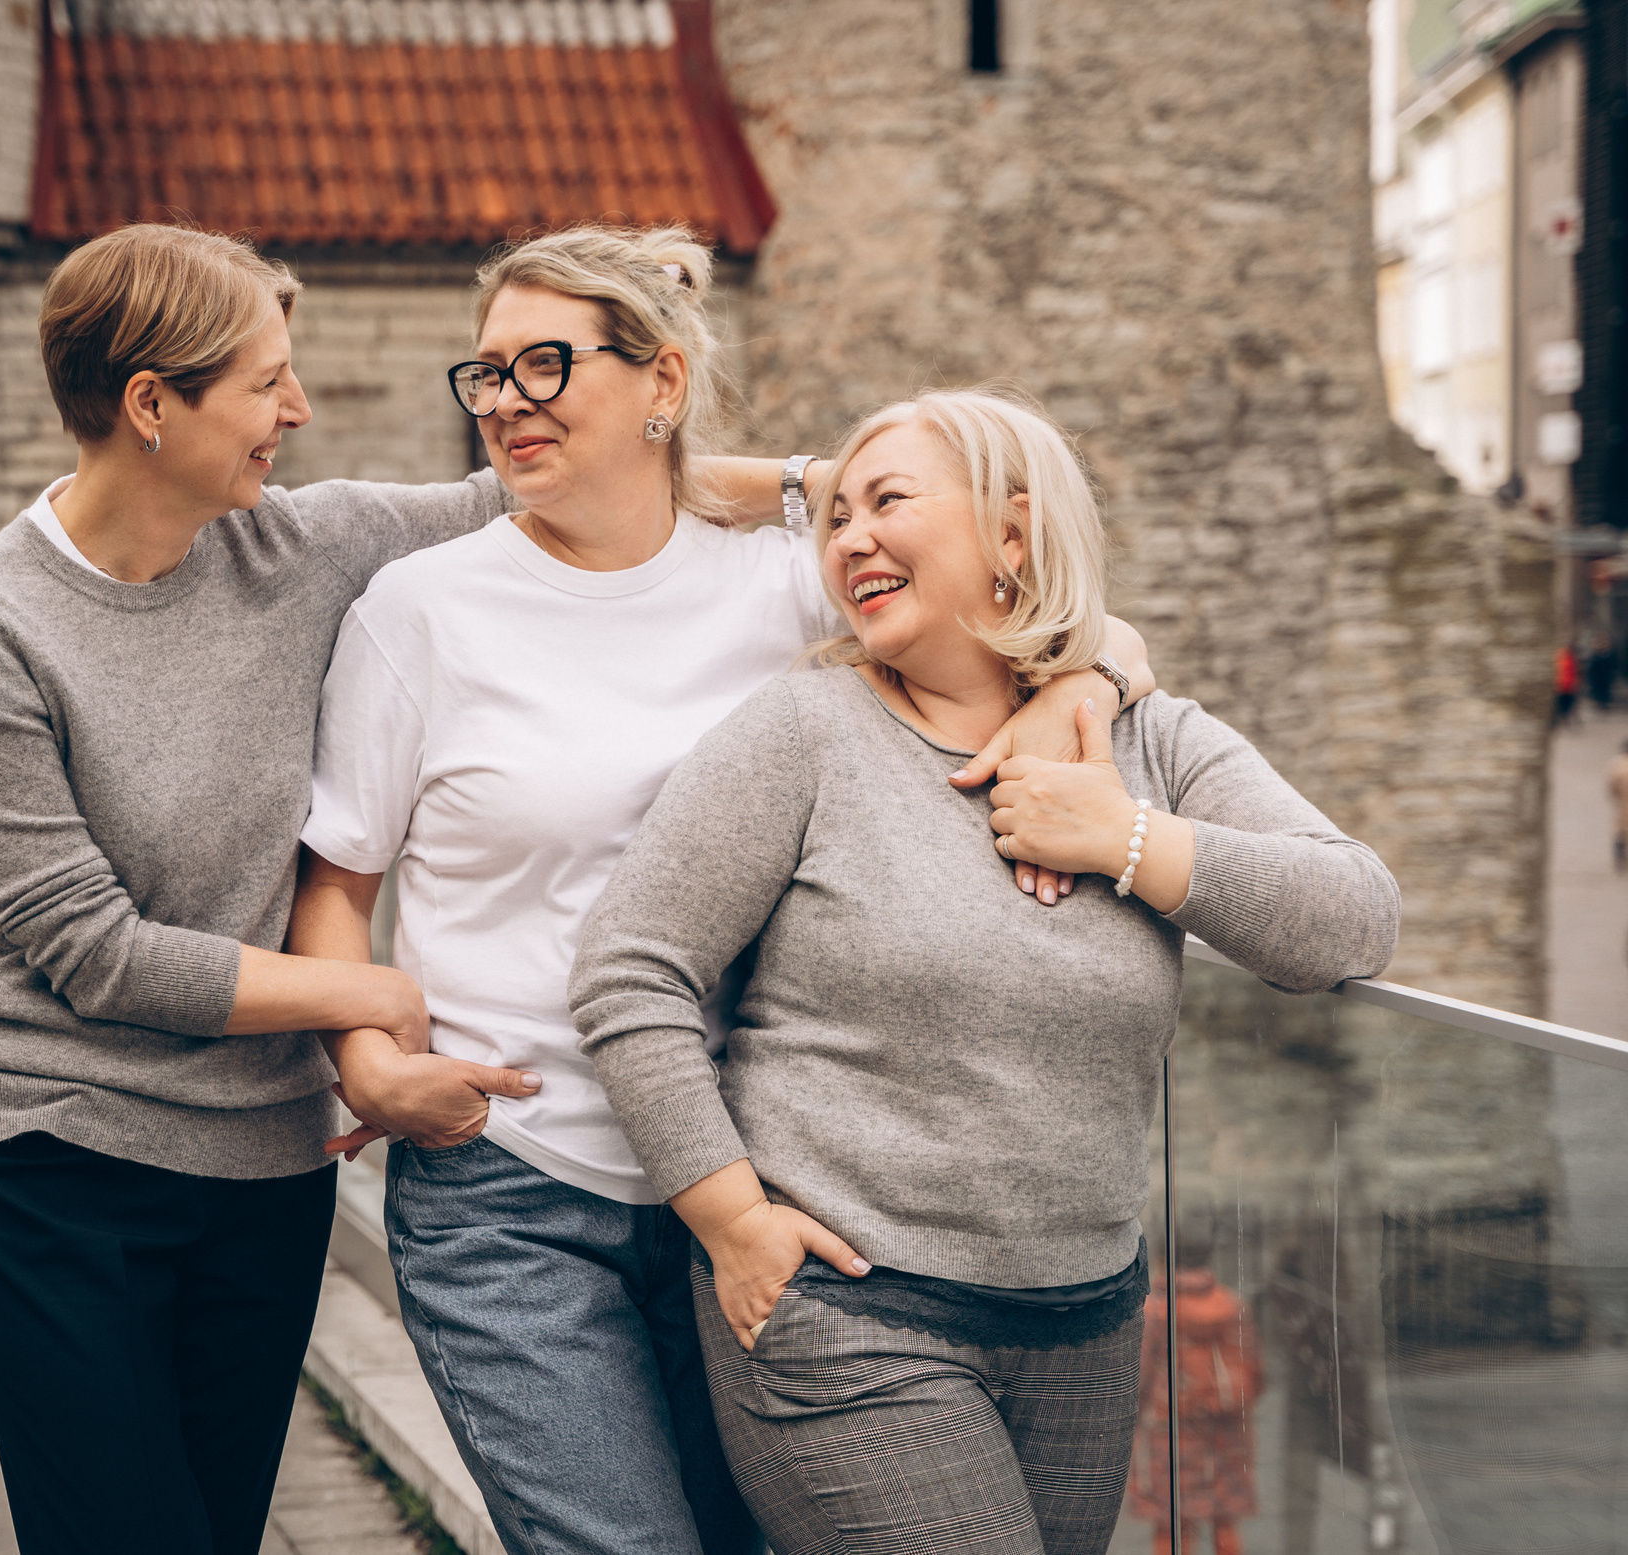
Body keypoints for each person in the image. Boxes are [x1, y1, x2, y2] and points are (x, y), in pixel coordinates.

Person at [0, 223, 822, 1555]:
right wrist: (380, 1001)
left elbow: (583, 483)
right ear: (154, 406)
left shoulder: (305, 545)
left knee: (212, 1526)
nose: (301, 407)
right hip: (56, 1145)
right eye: (267, 381)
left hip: (261, 1156)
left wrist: (851, 487)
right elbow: (89, 951)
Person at [284, 235, 1155, 1555]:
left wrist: (1082, 689)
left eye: (546, 364)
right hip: (511, 1181)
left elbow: (1035, 609)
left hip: (751, 1171)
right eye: (488, 373)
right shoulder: (421, 610)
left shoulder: (781, 581)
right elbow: (338, 881)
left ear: (663, 382)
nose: (507, 399)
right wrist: (364, 1061)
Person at [569, 387, 1400, 1555]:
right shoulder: (803, 734)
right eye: (837, 516)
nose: (849, 536)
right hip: (847, 1316)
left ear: (1011, 535)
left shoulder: (1150, 738)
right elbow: (628, 972)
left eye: (888, 502)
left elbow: (1353, 919)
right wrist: (731, 1217)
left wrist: (1122, 838)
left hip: (1087, 1324)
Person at [1129, 1236, 1264, 1555]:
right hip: (1224, 1428)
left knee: (1171, 1524)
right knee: (1224, 1519)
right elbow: (1256, 1370)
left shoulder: (1155, 1308)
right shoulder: (1230, 1304)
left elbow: (1140, 1371)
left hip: (1168, 1428)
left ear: (1163, 1259)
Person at [1609, 737, 1628, 871]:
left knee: (1620, 830)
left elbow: (1611, 785)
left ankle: (1619, 858)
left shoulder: (1618, 763)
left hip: (1622, 801)